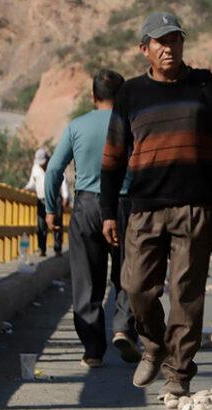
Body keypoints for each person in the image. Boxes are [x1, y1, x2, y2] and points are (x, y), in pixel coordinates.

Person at [100, 11, 212, 396]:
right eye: (161, 42)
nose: (169, 49)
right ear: (144, 49)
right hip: (144, 207)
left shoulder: (207, 86)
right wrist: (107, 212)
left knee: (186, 294)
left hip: (195, 207)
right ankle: (152, 344)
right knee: (136, 287)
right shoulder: (130, 94)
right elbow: (113, 157)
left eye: (176, 40)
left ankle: (178, 375)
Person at [46, 69, 140, 368]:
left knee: (87, 281)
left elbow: (53, 171)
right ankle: (124, 327)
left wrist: (51, 209)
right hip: (126, 205)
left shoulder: (77, 126)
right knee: (128, 272)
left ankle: (92, 350)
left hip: (87, 206)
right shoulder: (132, 124)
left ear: (93, 96)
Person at [25, 147, 68, 257]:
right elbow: (32, 183)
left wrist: (65, 196)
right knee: (41, 225)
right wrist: (26, 188)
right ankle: (41, 248)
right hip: (41, 199)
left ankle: (58, 248)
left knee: (57, 223)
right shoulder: (35, 168)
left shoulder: (55, 166)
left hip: (55, 199)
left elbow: (63, 180)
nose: (42, 165)